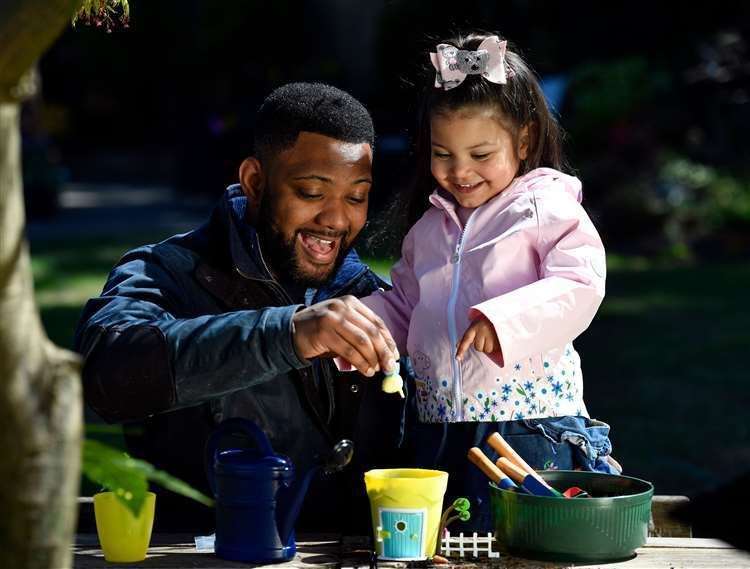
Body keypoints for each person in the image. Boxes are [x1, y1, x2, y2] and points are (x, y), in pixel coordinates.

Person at [74, 82, 403, 533]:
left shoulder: (375, 296)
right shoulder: (164, 272)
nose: (336, 220)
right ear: (254, 181)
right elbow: (106, 373)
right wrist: (285, 334)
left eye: (356, 197)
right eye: (311, 192)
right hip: (193, 559)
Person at [355, 32, 621, 531]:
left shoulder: (544, 206)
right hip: (438, 430)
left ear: (522, 141)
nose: (459, 172)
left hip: (527, 428)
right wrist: (361, 328)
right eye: (442, 154)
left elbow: (580, 283)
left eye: (480, 155)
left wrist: (504, 320)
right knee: (453, 544)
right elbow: (408, 307)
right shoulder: (428, 230)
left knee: (527, 544)